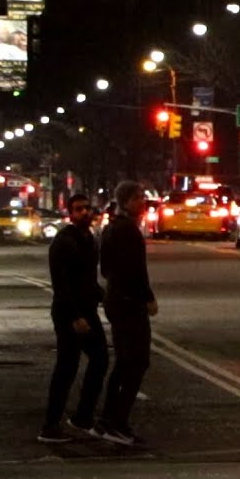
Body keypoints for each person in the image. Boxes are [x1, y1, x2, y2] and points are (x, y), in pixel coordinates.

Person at [37, 194, 108, 444]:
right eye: (79, 209)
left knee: (100, 359)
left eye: (87, 208)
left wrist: (102, 296)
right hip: (69, 313)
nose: (85, 212)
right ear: (70, 213)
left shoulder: (90, 240)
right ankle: (50, 425)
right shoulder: (63, 242)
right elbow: (62, 284)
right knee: (66, 368)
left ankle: (83, 416)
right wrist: (75, 316)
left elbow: (88, 280)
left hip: (87, 310)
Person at [98, 181, 157, 446]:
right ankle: (117, 422)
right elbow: (135, 269)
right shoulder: (128, 231)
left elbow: (106, 267)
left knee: (124, 362)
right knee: (136, 361)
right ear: (128, 201)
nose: (143, 202)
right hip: (128, 303)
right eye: (139, 198)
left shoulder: (111, 228)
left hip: (116, 299)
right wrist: (147, 297)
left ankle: (107, 420)